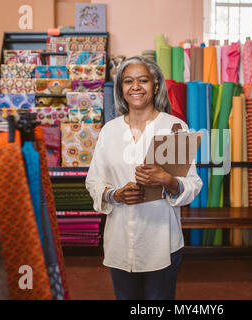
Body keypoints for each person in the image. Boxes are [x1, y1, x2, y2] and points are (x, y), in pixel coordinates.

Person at [86, 56, 202, 300]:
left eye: (143, 80)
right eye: (128, 81)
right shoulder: (110, 131)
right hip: (119, 241)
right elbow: (93, 181)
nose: (135, 87)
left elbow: (193, 184)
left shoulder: (175, 127)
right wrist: (114, 194)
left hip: (161, 242)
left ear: (156, 85)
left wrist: (167, 180)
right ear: (121, 88)